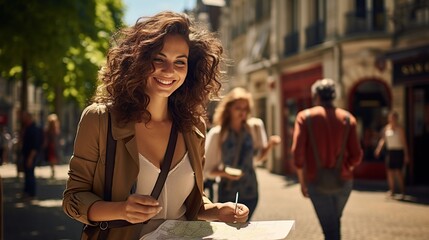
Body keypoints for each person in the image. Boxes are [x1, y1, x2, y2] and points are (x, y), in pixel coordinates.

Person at [62, 11, 249, 240]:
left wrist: (218, 211)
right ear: (138, 60)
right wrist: (121, 210)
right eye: (159, 59)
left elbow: (190, 205)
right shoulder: (100, 119)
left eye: (180, 62)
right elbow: (73, 199)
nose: (170, 71)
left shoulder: (194, 126)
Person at [291, 78, 362, 240]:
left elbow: (298, 155)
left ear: (315, 96)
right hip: (344, 181)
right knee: (334, 224)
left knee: (330, 230)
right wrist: (346, 167)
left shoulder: (305, 117)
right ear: (333, 96)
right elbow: (357, 155)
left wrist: (302, 182)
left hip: (315, 181)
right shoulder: (347, 118)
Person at [204, 87, 281, 220]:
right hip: (228, 194)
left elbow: (257, 159)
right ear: (229, 109)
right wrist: (225, 173)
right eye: (238, 108)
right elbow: (207, 170)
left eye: (245, 109)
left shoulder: (254, 128)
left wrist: (269, 146)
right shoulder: (218, 134)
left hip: (251, 190)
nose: (242, 112)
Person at [375, 110, 410, 199]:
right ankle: (392, 191)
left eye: (394, 118)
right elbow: (383, 140)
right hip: (390, 152)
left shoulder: (400, 129)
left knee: (398, 172)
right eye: (391, 118)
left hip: (398, 151)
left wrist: (406, 155)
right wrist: (379, 148)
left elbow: (404, 142)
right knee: (390, 172)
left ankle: (402, 191)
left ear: (396, 119)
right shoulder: (386, 128)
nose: (392, 119)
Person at [20, 111, 43, 200]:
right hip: (27, 154)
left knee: (30, 174)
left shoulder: (33, 129)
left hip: (30, 155)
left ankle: (31, 193)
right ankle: (27, 192)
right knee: (27, 174)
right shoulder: (27, 128)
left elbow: (35, 145)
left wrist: (30, 157)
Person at [43, 113, 61, 179]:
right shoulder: (50, 129)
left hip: (53, 145)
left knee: (53, 158)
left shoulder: (54, 129)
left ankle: (53, 169)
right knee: (52, 158)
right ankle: (52, 169)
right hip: (51, 145)